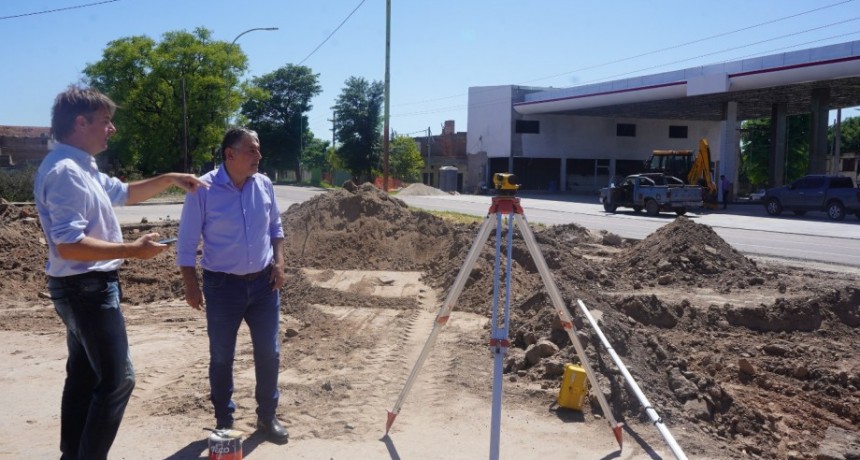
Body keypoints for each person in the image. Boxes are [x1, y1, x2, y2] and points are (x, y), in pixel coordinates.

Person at [34, 85, 207, 460]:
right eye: (106, 121)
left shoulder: (82, 166)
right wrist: (133, 250)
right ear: (81, 122)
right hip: (85, 288)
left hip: (83, 287)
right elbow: (68, 244)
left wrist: (170, 177)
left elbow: (124, 193)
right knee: (118, 380)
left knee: (85, 376)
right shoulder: (65, 172)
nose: (112, 129)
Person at [177, 127, 289, 444]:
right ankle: (224, 422)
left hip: (264, 285)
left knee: (269, 353)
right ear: (230, 154)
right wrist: (191, 285)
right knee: (222, 356)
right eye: (252, 150)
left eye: (258, 149)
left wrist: (279, 262)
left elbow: (275, 227)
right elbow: (186, 243)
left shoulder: (264, 184)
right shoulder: (202, 189)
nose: (259, 155)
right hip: (223, 287)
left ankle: (267, 417)